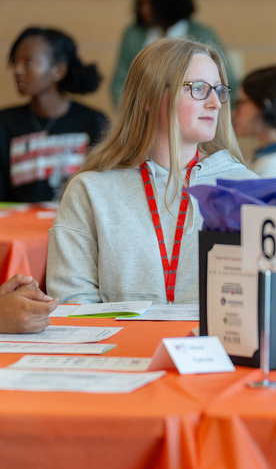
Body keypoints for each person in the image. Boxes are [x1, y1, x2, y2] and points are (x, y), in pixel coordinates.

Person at [46, 37, 258, 304]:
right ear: (149, 98)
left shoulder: (247, 190)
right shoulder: (91, 190)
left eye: (219, 90)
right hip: (122, 345)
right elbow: (72, 299)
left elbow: (264, 298)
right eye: (199, 88)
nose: (215, 102)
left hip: (212, 345)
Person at [0, 27, 108, 202]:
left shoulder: (93, 122)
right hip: (17, 227)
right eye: (14, 63)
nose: (17, 70)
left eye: (28, 63)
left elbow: (103, 191)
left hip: (75, 226)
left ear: (59, 70)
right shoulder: (4, 123)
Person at [110, 0, 234, 108]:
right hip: (142, 114)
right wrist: (134, 113)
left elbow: (227, 83)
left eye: (148, 3)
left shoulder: (203, 35)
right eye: (141, 3)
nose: (143, 10)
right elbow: (119, 84)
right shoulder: (133, 34)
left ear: (166, 2)